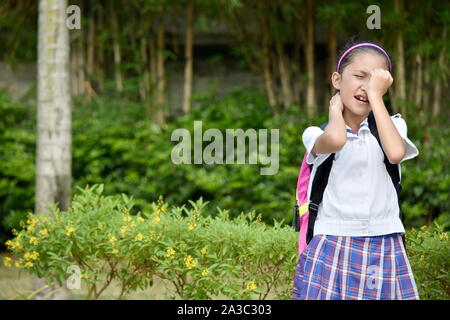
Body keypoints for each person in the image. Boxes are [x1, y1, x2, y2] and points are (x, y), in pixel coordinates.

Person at [292, 39, 420, 300]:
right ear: (337, 80)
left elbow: (395, 154)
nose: (366, 86)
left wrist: (375, 97)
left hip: (384, 241)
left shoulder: (393, 126)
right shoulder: (315, 133)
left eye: (374, 80)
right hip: (333, 241)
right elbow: (336, 140)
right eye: (359, 76)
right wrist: (334, 109)